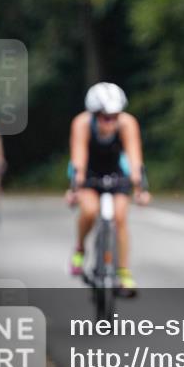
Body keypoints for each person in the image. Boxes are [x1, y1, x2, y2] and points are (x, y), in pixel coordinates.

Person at [65, 82, 150, 297]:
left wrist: (140, 188)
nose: (111, 122)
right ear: (95, 115)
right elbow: (78, 158)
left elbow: (134, 157)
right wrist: (75, 187)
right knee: (89, 211)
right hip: (89, 173)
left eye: (115, 116)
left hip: (116, 173)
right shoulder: (82, 123)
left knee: (120, 217)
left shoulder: (127, 123)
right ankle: (80, 248)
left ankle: (123, 272)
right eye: (105, 117)